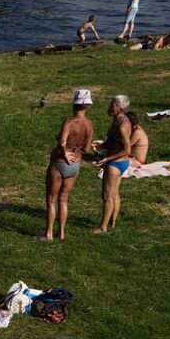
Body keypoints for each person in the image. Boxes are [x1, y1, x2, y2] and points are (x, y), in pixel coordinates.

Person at [40, 89, 95, 241]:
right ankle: (62, 233)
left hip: (59, 163)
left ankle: (48, 234)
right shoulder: (89, 125)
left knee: (51, 200)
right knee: (63, 199)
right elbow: (87, 148)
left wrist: (64, 153)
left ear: (74, 104)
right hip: (75, 164)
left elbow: (63, 142)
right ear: (87, 106)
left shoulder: (69, 122)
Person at [91, 95, 133, 233]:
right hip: (120, 163)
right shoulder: (117, 120)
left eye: (112, 105)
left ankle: (102, 227)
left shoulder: (122, 126)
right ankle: (112, 223)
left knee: (107, 196)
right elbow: (115, 142)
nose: (109, 107)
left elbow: (127, 149)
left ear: (120, 108)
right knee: (114, 193)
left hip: (115, 163)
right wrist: (102, 145)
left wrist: (107, 159)